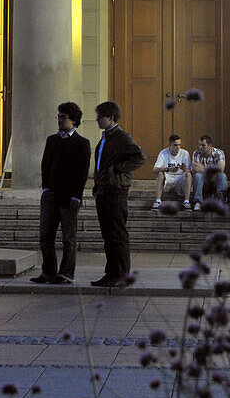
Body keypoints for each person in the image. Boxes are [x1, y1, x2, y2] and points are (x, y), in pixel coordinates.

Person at [30, 101, 91, 285]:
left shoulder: (82, 143)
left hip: (69, 196)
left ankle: (66, 273)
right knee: (45, 235)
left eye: (63, 117)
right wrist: (46, 187)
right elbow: (45, 165)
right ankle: (48, 272)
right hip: (50, 194)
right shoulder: (52, 140)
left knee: (68, 237)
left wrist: (76, 196)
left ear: (73, 119)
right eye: (59, 116)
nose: (60, 120)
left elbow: (82, 172)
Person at [91, 101, 145, 287]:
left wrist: (118, 169)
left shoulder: (122, 137)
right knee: (108, 235)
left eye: (100, 117)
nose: (97, 120)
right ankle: (111, 273)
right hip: (104, 191)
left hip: (116, 192)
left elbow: (139, 156)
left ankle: (122, 274)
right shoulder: (105, 138)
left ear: (111, 118)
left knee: (117, 234)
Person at [153, 133, 192, 210]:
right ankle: (157, 201)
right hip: (168, 179)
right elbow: (155, 169)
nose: (178, 147)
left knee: (188, 175)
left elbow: (190, 172)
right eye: (175, 145)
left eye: (179, 145)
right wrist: (168, 169)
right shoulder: (163, 153)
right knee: (160, 174)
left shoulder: (185, 153)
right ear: (170, 145)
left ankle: (186, 201)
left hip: (180, 179)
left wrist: (185, 169)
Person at [191, 133, 227, 211]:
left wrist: (203, 168)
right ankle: (198, 202)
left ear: (210, 145)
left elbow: (220, 169)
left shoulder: (219, 153)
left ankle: (220, 202)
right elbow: (196, 169)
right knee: (197, 175)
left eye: (203, 145)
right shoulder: (196, 153)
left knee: (222, 176)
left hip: (215, 180)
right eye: (199, 145)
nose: (200, 147)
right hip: (203, 181)